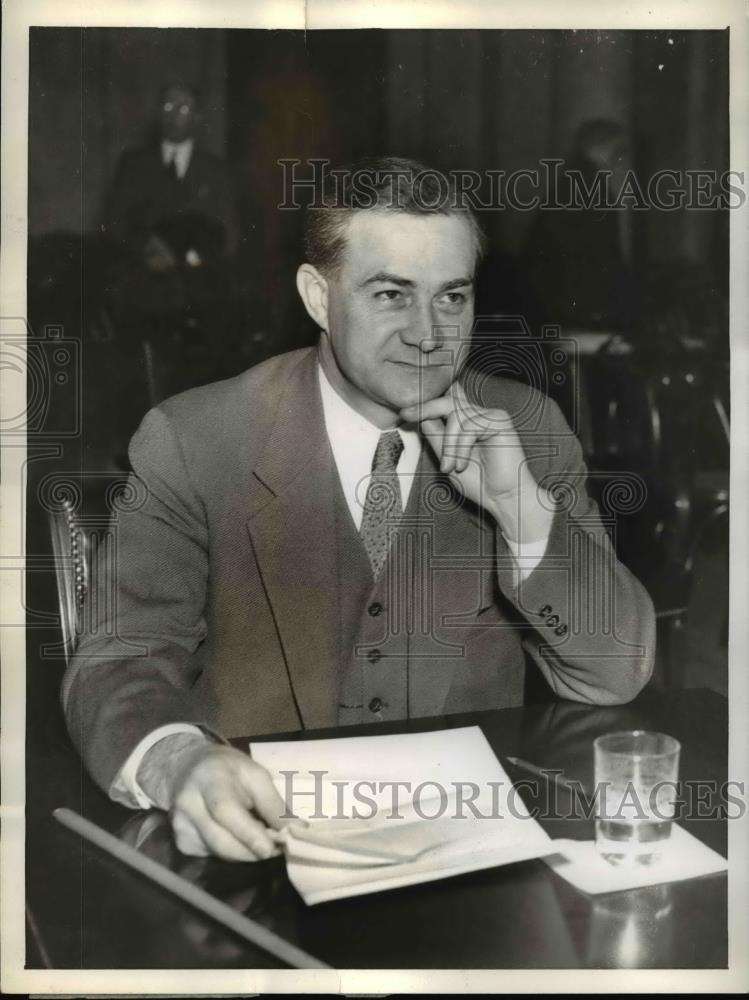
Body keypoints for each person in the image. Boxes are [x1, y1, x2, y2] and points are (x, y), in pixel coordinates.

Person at [64, 157, 655, 863]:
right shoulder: (195, 440)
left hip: (464, 855)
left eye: (452, 297)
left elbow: (616, 671)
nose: (429, 334)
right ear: (318, 296)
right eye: (390, 295)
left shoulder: (522, 429)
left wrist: (520, 511)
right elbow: (118, 660)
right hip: (255, 853)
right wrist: (179, 762)